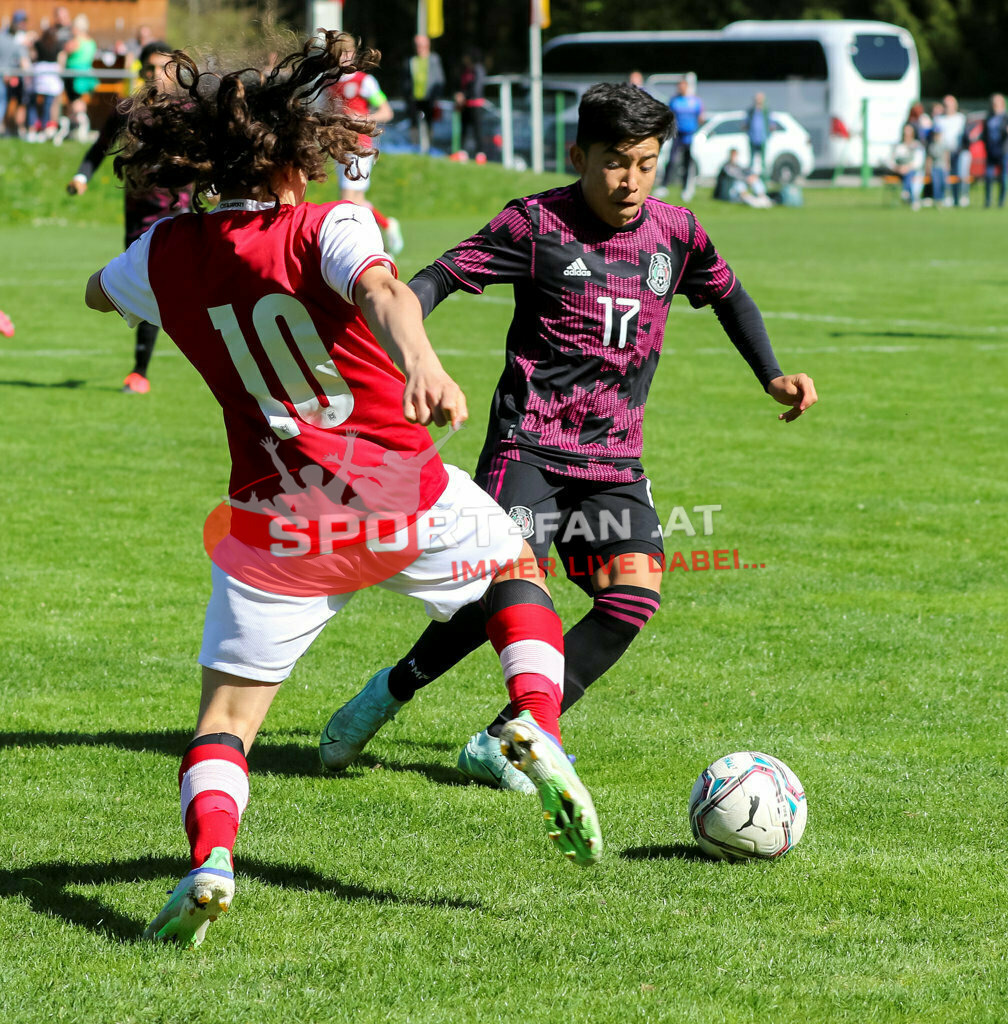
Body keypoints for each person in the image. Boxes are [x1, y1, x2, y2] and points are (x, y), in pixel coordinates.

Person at [83, 31, 602, 948]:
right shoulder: (330, 224)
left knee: (227, 724)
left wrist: (157, 264)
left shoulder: (165, 251)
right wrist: (425, 362)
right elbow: (386, 293)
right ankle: (536, 721)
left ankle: (211, 862)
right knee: (517, 570)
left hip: (271, 526)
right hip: (397, 493)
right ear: (295, 155)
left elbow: (98, 291)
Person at [320, 82, 817, 793]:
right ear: (579, 154)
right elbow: (439, 278)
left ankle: (507, 741)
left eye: (647, 163)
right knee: (506, 592)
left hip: (614, 459)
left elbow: (729, 294)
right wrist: (411, 349)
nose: (632, 181)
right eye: (616, 162)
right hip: (530, 448)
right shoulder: (536, 225)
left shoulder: (676, 232)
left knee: (632, 596)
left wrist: (771, 375)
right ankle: (390, 692)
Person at [68, 41, 192, 394]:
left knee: (158, 288)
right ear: (140, 70)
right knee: (147, 294)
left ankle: (140, 372)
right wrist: (81, 177)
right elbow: (98, 148)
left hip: (178, 215)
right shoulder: (127, 111)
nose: (155, 75)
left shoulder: (187, 111)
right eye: (149, 68)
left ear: (174, 70)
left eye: (162, 68)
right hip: (138, 217)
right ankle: (141, 370)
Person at [324, 31, 403, 255]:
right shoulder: (330, 82)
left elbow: (386, 111)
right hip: (340, 147)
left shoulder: (364, 81)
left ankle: (356, 253)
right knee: (357, 201)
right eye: (340, 54)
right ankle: (385, 237)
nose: (344, 58)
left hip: (360, 146)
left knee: (347, 202)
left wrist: (364, 119)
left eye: (348, 53)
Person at [660, 77, 703, 201]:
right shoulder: (674, 100)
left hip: (689, 135)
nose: (681, 88)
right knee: (672, 160)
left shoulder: (695, 101)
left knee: (687, 162)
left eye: (683, 85)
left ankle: (686, 189)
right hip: (676, 135)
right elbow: (669, 116)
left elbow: (700, 117)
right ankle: (664, 186)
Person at [402, 33, 444, 154]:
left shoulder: (434, 59)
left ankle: (430, 149)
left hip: (429, 98)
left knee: (429, 124)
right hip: (413, 98)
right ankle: (415, 148)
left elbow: (439, 79)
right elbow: (405, 79)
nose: (419, 48)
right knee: (414, 124)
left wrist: (436, 96)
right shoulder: (410, 60)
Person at [62, 13, 98, 141]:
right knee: (81, 101)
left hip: (74, 75)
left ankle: (78, 126)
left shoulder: (75, 42)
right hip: (86, 74)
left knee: (74, 100)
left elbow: (64, 51)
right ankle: (80, 128)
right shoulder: (91, 42)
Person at [931, 95, 967, 207]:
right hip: (942, 152)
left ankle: (960, 197)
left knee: (959, 174)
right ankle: (946, 197)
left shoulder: (960, 118)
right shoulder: (939, 119)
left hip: (957, 151)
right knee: (944, 174)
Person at [455, 48, 487, 158]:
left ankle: (480, 153)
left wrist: (465, 95)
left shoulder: (478, 69)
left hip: (475, 104)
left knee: (477, 129)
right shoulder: (465, 70)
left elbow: (476, 88)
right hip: (465, 104)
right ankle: (463, 151)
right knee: (464, 128)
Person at [887, 122, 925, 210]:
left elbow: (918, 163)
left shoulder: (917, 146)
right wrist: (898, 168)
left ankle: (907, 192)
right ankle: (910, 196)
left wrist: (907, 167)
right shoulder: (898, 146)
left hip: (912, 171)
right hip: (898, 171)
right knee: (908, 174)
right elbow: (890, 161)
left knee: (911, 174)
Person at [981, 92, 1007, 209]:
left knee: (1003, 178)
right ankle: (988, 201)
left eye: (996, 103)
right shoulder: (989, 117)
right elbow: (985, 134)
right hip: (991, 151)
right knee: (988, 176)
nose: (994, 105)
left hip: (1003, 151)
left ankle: (1001, 202)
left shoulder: (1005, 117)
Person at [744, 91, 768, 176]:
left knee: (763, 161)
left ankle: (764, 178)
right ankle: (750, 177)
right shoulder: (751, 111)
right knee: (751, 161)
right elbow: (746, 123)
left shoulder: (766, 111)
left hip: (763, 138)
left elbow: (771, 124)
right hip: (752, 138)